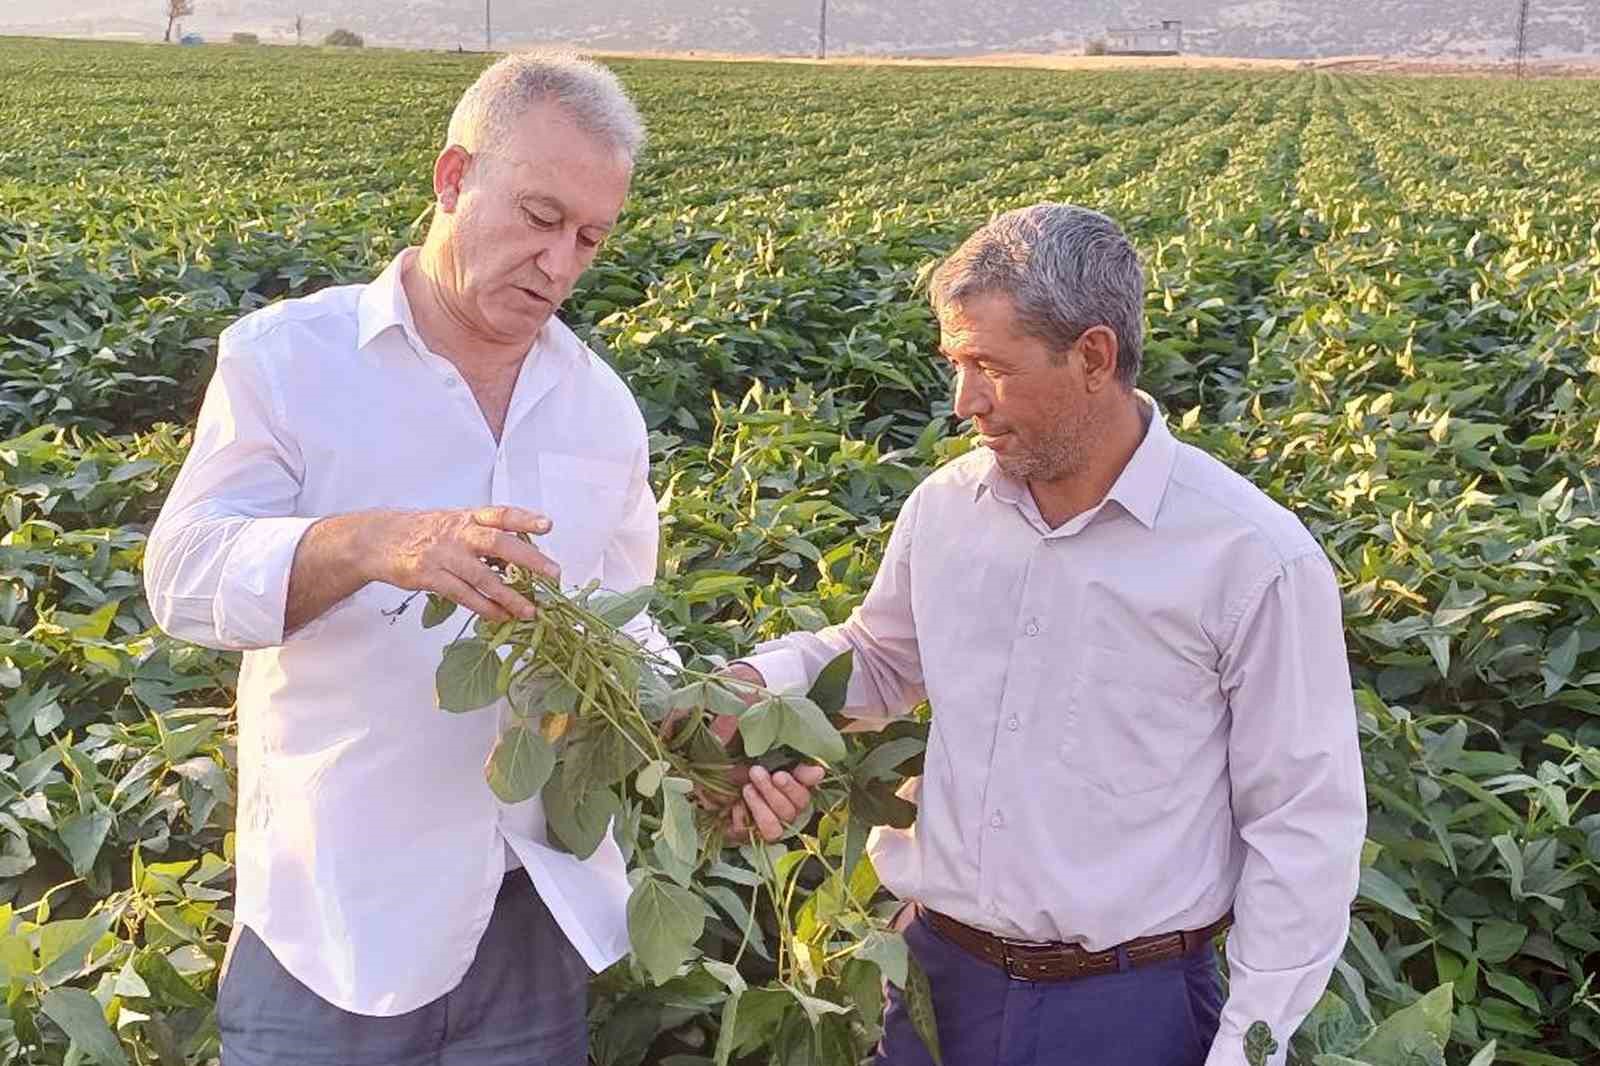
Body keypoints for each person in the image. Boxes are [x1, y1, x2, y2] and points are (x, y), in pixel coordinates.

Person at [144, 50, 812, 1066]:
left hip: (529, 918)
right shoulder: (288, 359)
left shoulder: (599, 409)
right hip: (334, 920)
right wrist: (372, 541)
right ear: (453, 180)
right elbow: (182, 576)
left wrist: (700, 745)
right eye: (540, 219)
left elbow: (623, 625)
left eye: (590, 238)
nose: (561, 266)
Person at [725, 204, 1367, 1066]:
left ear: (1094, 356)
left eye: (991, 366)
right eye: (957, 364)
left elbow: (1301, 821)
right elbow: (879, 657)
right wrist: (752, 684)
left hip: (1125, 1007)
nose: (965, 402)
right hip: (934, 979)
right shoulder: (948, 509)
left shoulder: (1251, 557)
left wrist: (1252, 1047)